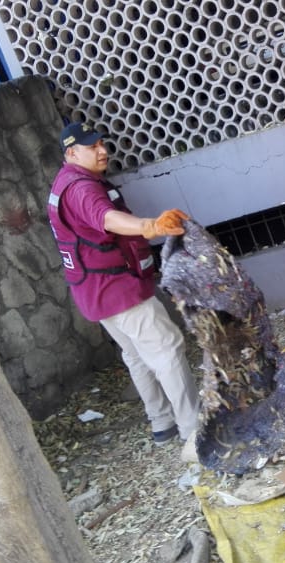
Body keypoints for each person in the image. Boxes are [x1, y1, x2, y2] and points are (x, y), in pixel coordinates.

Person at [47, 121, 200, 444]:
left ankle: (161, 421)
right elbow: (106, 218)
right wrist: (151, 226)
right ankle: (195, 430)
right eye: (93, 147)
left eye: (102, 143)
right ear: (71, 152)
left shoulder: (66, 182)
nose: (102, 151)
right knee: (167, 349)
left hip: (94, 291)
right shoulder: (81, 188)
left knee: (135, 353)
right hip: (118, 290)